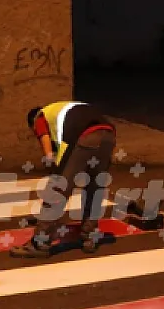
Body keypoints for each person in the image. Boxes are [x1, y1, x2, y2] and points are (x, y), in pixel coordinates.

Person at [10, 101, 117, 258]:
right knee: (94, 189)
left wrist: (54, 168)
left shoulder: (41, 117)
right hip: (109, 137)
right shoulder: (68, 108)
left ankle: (40, 243)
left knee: (57, 190)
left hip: (86, 138)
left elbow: (49, 154)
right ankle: (90, 237)